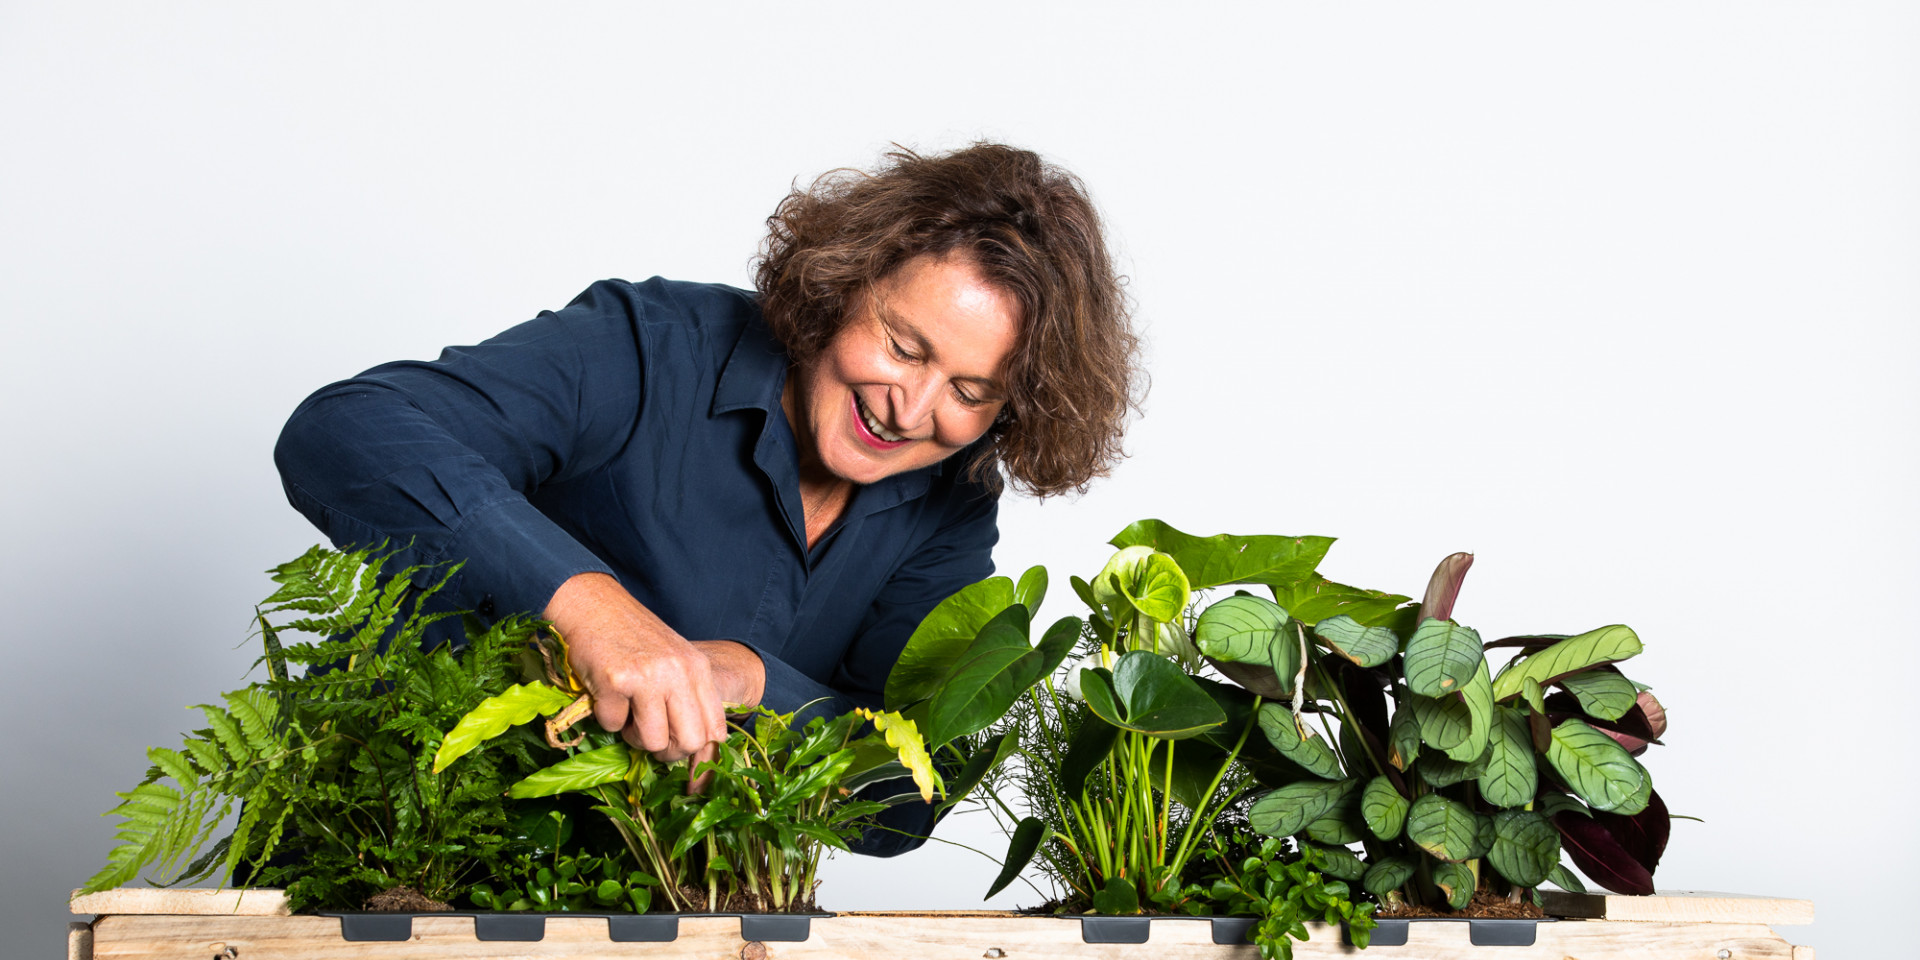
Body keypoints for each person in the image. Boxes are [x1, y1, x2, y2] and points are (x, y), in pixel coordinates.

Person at [274, 143, 1140, 850]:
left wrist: (753, 679)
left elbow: (905, 799)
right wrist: (591, 610)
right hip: (391, 855)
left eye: (971, 391)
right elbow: (343, 431)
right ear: (845, 284)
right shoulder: (650, 348)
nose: (909, 410)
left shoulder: (950, 503)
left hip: (662, 921)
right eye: (904, 348)